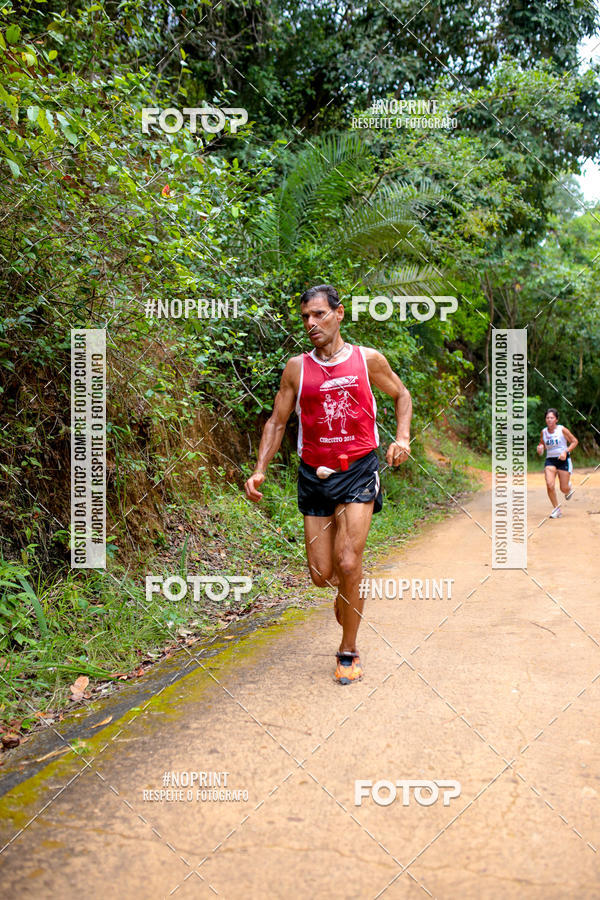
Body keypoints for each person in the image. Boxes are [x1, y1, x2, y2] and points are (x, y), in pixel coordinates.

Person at [244, 284, 412, 684]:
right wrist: (259, 468)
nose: (311, 323)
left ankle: (348, 651)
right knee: (322, 573)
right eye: (305, 317)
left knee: (350, 562)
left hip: (358, 470)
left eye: (319, 314)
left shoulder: (367, 360)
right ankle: (346, 589)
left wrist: (402, 438)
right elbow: (277, 422)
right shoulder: (296, 368)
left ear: (339, 314)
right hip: (314, 475)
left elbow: (401, 394)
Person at [536, 407, 578, 519]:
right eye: (547, 418)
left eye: (552, 418)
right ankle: (556, 509)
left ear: (556, 419)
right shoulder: (544, 432)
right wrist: (540, 449)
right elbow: (542, 445)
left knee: (563, 489)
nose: (549, 420)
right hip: (550, 460)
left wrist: (565, 451)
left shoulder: (562, 430)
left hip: (563, 460)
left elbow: (574, 441)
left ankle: (568, 487)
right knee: (550, 485)